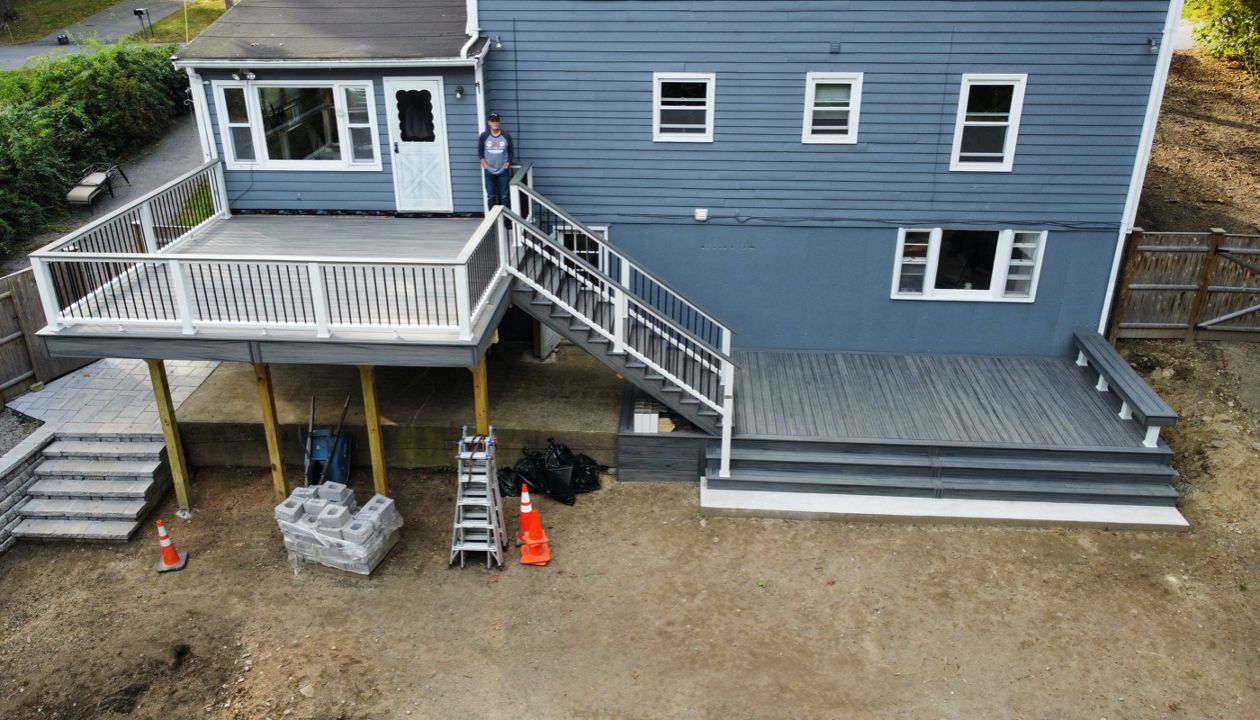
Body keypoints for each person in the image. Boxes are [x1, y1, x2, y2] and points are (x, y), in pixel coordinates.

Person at [478, 112, 513, 209]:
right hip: (489, 170)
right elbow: (480, 153)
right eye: (492, 120)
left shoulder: (506, 136)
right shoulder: (484, 136)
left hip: (503, 171)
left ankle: (506, 221)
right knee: (491, 196)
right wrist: (484, 165)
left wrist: (508, 163)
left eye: (497, 120)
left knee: (504, 196)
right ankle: (493, 221)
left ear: (499, 122)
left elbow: (511, 152)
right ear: (489, 122)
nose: (495, 122)